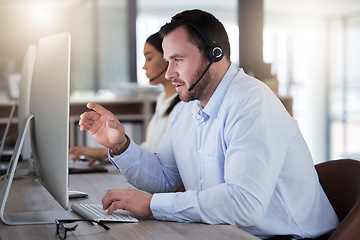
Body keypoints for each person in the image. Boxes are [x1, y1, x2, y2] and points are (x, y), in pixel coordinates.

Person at [78, 9, 338, 239]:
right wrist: (121, 145)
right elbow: (164, 178)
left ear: (215, 54)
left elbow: (244, 204)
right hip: (225, 231)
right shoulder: (188, 110)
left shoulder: (251, 104)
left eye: (178, 59)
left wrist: (153, 205)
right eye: (168, 61)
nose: (169, 74)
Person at [70, 32, 180, 166]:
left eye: (149, 58)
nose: (144, 66)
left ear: (168, 59)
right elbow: (149, 147)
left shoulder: (183, 105)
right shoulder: (163, 98)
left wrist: (105, 153)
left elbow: (160, 158)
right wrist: (108, 153)